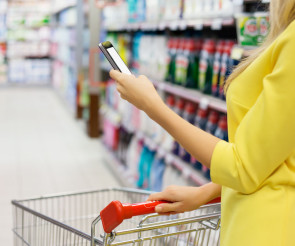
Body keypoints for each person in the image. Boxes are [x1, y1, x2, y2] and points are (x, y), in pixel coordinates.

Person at [109, 0, 295, 245]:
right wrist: (205, 192)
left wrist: (152, 107)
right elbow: (273, 155)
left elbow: (243, 167)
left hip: (268, 228)